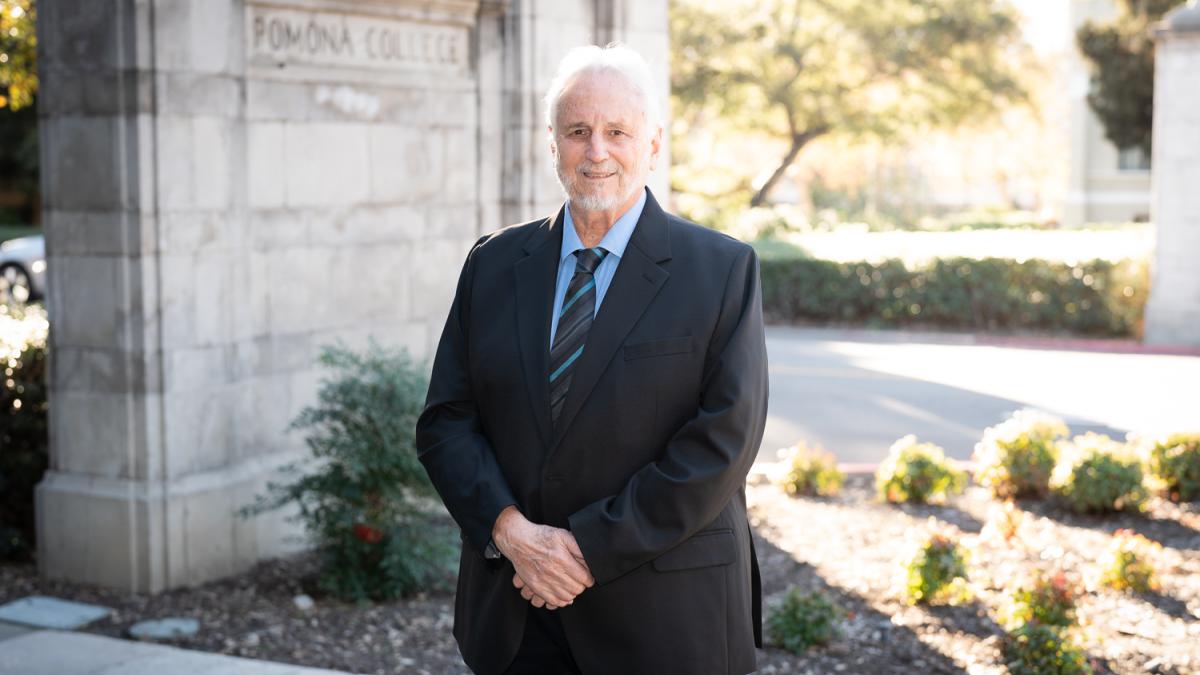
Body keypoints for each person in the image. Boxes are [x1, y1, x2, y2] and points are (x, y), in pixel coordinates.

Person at [416, 42, 769, 675]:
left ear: (653, 144)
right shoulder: (493, 264)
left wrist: (584, 550)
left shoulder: (719, 270)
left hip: (664, 621)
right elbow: (447, 420)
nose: (597, 151)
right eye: (578, 131)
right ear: (553, 144)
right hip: (518, 616)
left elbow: (722, 443)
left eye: (616, 131)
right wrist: (510, 533)